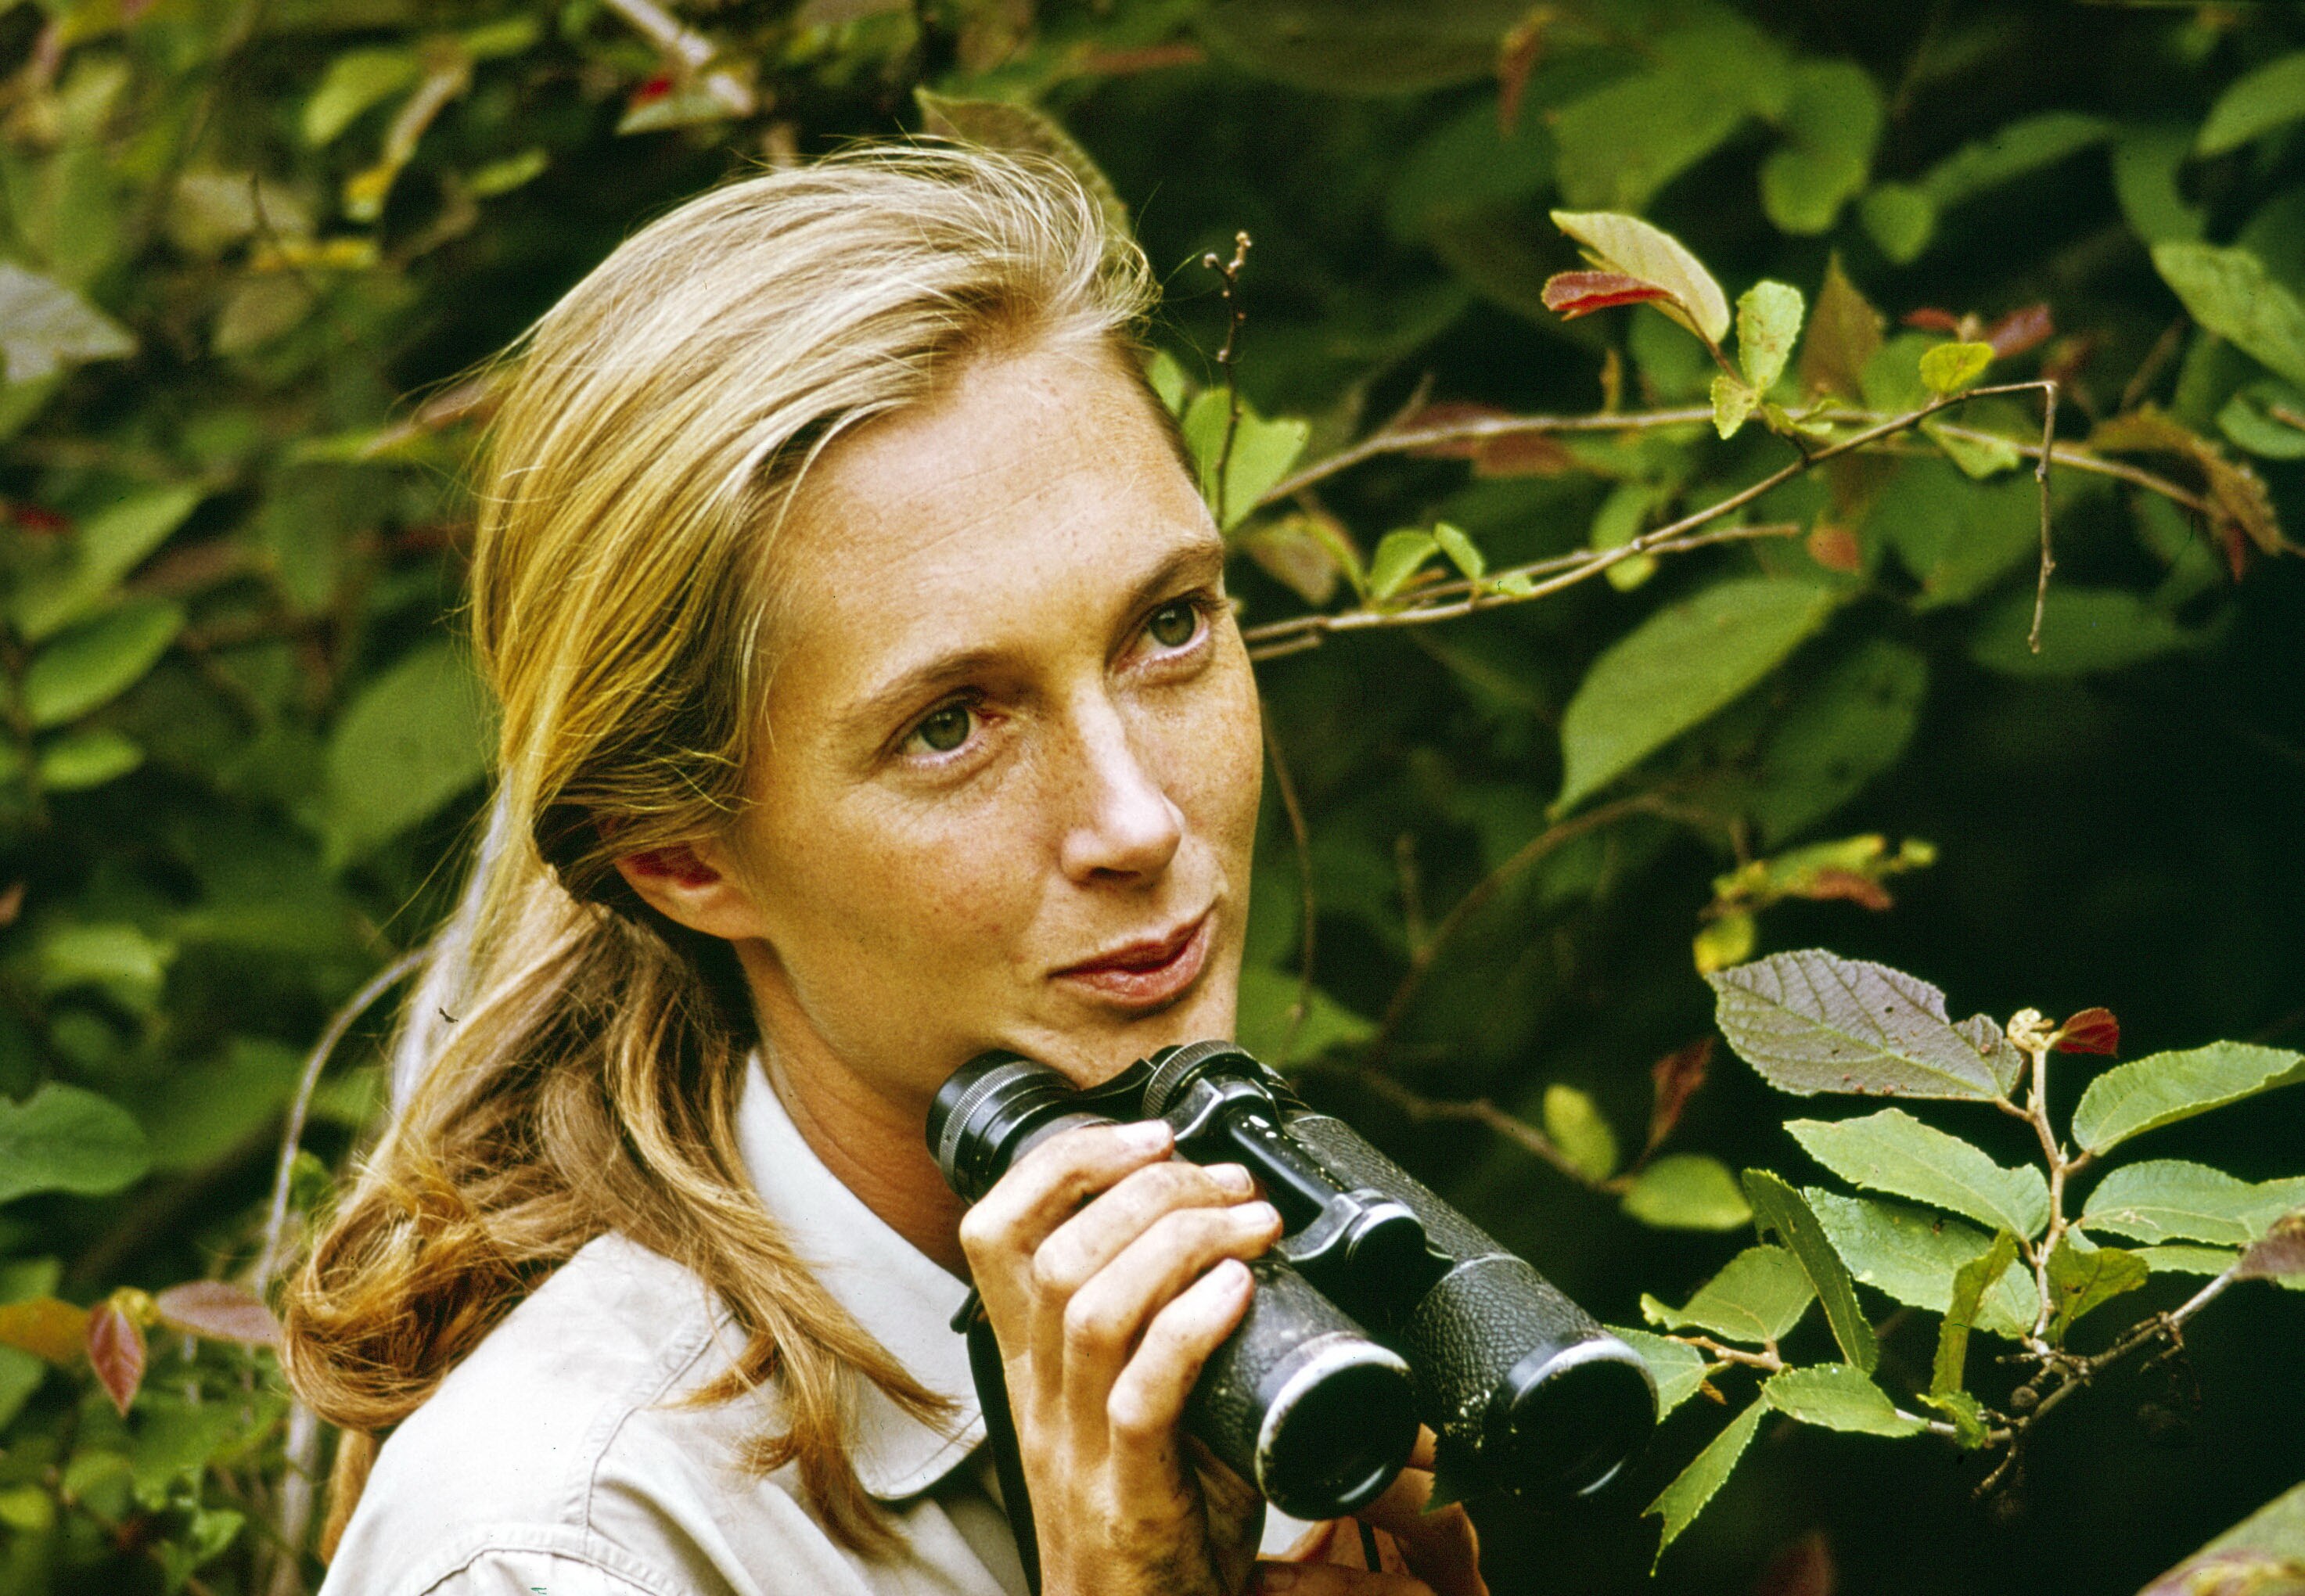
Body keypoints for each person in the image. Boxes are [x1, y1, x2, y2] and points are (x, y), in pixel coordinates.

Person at [282, 144, 1486, 1596]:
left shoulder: (1261, 1338)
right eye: (949, 726)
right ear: (677, 856)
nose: (1137, 820)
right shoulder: (557, 1546)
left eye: (1166, 628)